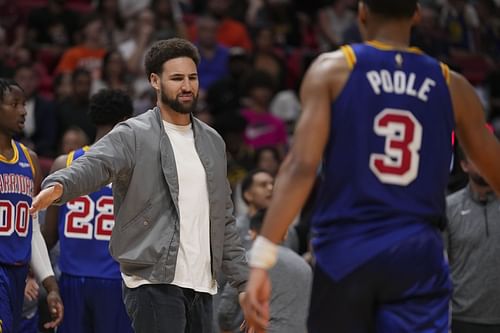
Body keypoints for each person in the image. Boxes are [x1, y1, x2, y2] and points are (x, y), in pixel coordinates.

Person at [240, 1, 500, 332]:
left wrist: (263, 259)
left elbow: (300, 167)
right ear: (416, 14)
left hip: (348, 248)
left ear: (361, 12)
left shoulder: (333, 69)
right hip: (417, 252)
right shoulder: (452, 84)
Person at [29, 38, 248, 333]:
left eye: (192, 78)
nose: (187, 86)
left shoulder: (212, 141)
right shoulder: (133, 133)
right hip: (153, 282)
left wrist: (243, 282)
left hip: (202, 284)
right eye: (177, 78)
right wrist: (58, 185)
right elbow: (95, 163)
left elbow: (223, 218)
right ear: (155, 81)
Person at [42, 89, 134, 333]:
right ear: (126, 121)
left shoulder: (64, 163)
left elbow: (49, 235)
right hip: (117, 282)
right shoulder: (133, 168)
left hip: (71, 280)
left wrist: (35, 274)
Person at [0, 78, 64, 333]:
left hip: (17, 274)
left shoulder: (30, 159)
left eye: (24, 104)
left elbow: (32, 228)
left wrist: (50, 285)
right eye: (14, 104)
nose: (23, 111)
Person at [218, 209, 312, 333]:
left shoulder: (249, 260)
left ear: (251, 233)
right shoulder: (305, 266)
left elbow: (226, 310)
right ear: (285, 234)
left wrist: (225, 328)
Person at [445, 142, 500, 333]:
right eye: (477, 159)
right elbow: (440, 264)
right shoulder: (449, 208)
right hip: (462, 319)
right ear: (464, 165)